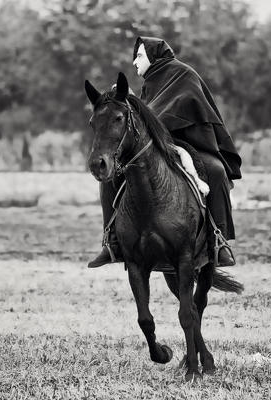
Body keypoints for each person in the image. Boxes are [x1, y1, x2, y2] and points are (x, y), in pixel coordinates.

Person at [87, 37, 242, 269]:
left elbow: (184, 109)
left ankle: (218, 241)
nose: (134, 61)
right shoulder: (150, 82)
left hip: (188, 142)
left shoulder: (184, 74)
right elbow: (146, 115)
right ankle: (111, 240)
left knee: (217, 171)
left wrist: (152, 119)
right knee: (110, 178)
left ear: (153, 56)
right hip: (153, 145)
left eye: (139, 56)